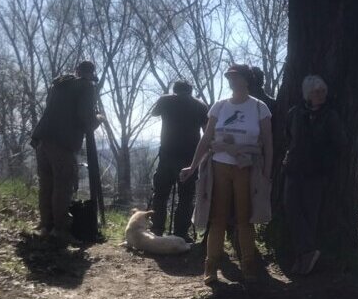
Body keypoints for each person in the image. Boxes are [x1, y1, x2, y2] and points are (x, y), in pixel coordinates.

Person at [182, 64, 273, 285]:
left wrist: (267, 173)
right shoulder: (220, 106)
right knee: (217, 219)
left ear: (246, 80)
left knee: (245, 219)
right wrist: (192, 166)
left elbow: (268, 143)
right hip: (219, 166)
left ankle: (249, 265)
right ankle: (211, 266)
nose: (231, 80)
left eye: (235, 76)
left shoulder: (259, 108)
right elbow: (206, 138)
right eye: (229, 77)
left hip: (247, 168)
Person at [30, 60, 100, 245]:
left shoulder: (59, 85)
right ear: (90, 74)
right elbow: (85, 117)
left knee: (47, 185)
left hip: (42, 140)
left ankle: (46, 225)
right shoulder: (86, 87)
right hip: (62, 143)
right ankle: (60, 230)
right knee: (63, 186)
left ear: (76, 71)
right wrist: (98, 119)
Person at [283, 74, 347, 274]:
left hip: (317, 173)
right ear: (307, 94)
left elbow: (341, 144)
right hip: (294, 169)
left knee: (310, 214)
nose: (320, 95)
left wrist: (324, 159)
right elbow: (288, 136)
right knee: (291, 208)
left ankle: (304, 259)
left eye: (322, 91)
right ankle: (308, 251)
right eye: (316, 92)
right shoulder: (294, 113)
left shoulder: (331, 115)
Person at [148, 80, 208, 241]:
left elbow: (154, 113)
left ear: (175, 90)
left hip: (167, 154)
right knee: (186, 196)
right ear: (191, 90)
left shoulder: (166, 100)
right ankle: (181, 233)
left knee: (160, 194)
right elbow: (206, 130)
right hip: (190, 157)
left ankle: (157, 229)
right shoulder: (200, 105)